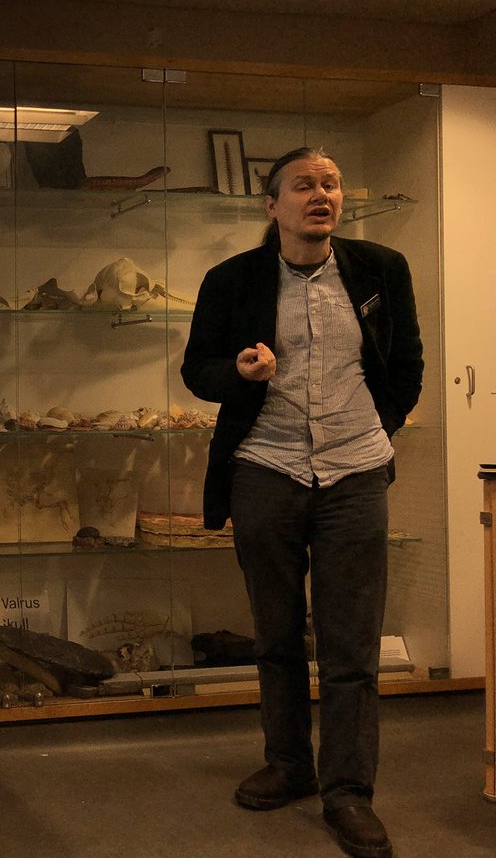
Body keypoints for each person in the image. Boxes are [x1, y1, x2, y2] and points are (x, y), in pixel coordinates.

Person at [180, 146, 423, 858]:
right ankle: (290, 764)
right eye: (304, 185)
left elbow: (405, 365)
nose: (322, 195)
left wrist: (378, 426)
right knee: (277, 634)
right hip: (266, 466)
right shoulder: (232, 280)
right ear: (272, 205)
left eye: (331, 183)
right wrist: (240, 371)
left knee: (350, 643)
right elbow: (198, 370)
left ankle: (348, 793)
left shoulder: (381, 269)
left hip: (355, 470)